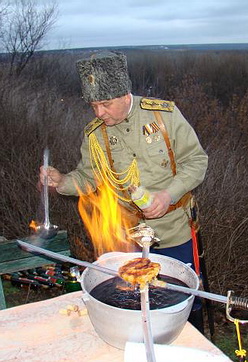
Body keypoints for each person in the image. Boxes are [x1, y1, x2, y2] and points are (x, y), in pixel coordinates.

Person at [39, 51, 208, 330]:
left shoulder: (163, 115)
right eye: (93, 105)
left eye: (105, 104)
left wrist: (167, 195)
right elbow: (90, 176)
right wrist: (62, 181)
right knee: (133, 300)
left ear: (125, 95)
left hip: (173, 229)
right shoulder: (95, 134)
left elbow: (196, 161)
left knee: (183, 300)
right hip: (126, 234)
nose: (99, 113)